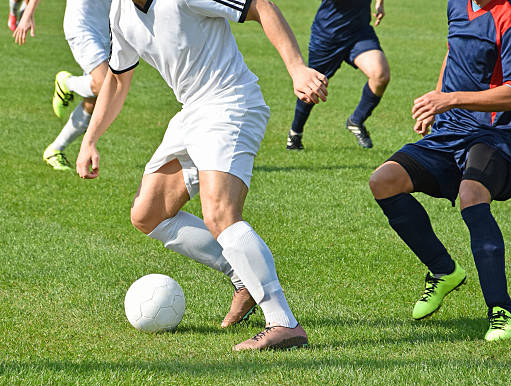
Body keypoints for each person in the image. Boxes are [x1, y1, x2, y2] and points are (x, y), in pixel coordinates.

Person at [76, 0, 328, 351]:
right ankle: (245, 280)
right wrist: (90, 139)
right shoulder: (119, 13)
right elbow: (117, 80)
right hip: (191, 113)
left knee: (220, 214)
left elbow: (259, 5)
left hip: (230, 103)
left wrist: (298, 68)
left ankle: (283, 322)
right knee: (147, 214)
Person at [369, 0, 511, 341]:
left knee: (471, 194)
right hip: (449, 130)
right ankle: (443, 269)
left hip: (495, 135)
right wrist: (438, 97)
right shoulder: (457, 5)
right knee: (383, 181)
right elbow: (453, 51)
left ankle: (501, 313)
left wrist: (450, 99)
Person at [14, 0, 112, 172]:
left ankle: (55, 149)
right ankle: (66, 83)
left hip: (107, 30)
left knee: (94, 99)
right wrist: (28, 13)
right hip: (82, 27)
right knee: (105, 85)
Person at [286, 0, 389, 150]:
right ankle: (295, 133)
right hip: (328, 35)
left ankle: (356, 120)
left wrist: (379, 4)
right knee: (312, 87)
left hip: (360, 33)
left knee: (381, 75)